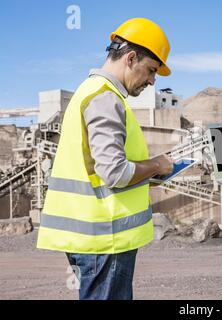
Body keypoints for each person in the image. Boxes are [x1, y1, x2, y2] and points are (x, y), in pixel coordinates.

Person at [36, 18, 174, 300]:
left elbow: (98, 171)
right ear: (131, 57)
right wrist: (157, 165)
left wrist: (146, 174)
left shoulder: (90, 92)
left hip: (94, 236)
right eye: (150, 70)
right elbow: (114, 173)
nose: (151, 81)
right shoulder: (105, 98)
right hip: (105, 238)